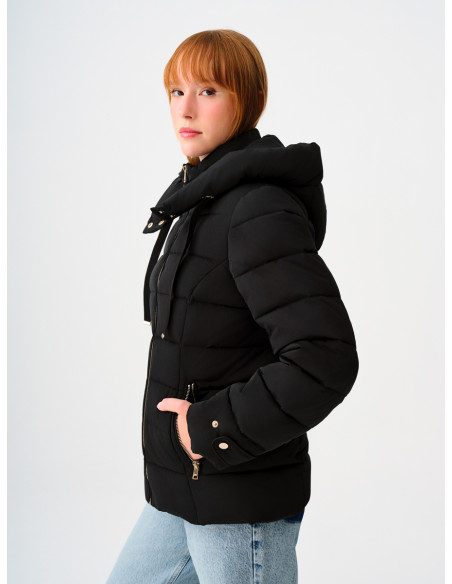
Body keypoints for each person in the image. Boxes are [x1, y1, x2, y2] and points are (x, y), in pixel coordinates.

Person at [106, 29, 359, 584]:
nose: (186, 109)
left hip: (239, 502)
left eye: (208, 91)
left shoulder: (256, 207)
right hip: (184, 488)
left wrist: (206, 429)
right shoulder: (201, 200)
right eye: (176, 91)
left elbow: (325, 357)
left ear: (245, 99)